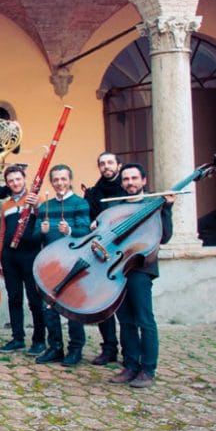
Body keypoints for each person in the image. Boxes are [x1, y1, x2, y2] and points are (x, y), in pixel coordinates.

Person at [106, 163, 172, 388]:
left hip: (141, 268)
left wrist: (167, 208)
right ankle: (131, 365)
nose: (130, 183)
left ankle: (148, 369)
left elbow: (165, 237)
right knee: (125, 320)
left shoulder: (153, 205)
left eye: (134, 178)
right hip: (118, 268)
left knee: (144, 320)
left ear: (144, 180)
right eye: (126, 179)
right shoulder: (117, 208)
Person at [36, 165, 91, 367]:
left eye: (63, 179)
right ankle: (55, 347)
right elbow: (34, 236)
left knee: (72, 307)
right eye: (56, 180)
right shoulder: (45, 206)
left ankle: (75, 349)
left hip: (73, 262)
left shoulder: (80, 203)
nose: (59, 183)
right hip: (51, 263)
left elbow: (85, 231)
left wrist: (69, 231)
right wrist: (41, 232)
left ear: (70, 180)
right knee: (49, 306)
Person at [0, 165, 45, 357]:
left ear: (24, 179)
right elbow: (2, 234)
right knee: (14, 298)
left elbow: (44, 222)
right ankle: (17, 338)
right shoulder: (6, 206)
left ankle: (39, 340)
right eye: (11, 181)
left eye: (18, 179)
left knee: (35, 299)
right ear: (7, 184)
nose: (15, 183)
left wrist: (36, 207)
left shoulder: (36, 199)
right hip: (10, 257)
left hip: (31, 255)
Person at [83, 151, 125, 366]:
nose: (106, 166)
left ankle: (130, 350)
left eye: (110, 163)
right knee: (103, 304)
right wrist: (92, 224)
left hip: (125, 252)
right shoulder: (93, 193)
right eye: (102, 164)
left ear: (119, 165)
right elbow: (86, 221)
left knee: (126, 307)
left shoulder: (127, 190)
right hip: (101, 253)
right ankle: (109, 348)